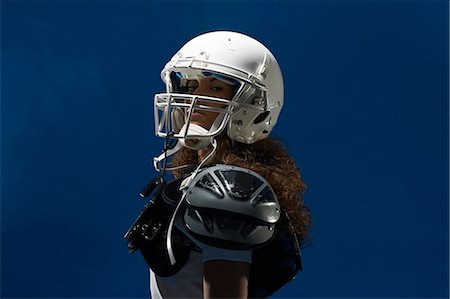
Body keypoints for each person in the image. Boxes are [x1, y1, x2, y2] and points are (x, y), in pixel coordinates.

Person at [125, 30, 312, 299]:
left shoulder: (230, 191)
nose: (195, 98)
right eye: (190, 86)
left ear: (252, 105)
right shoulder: (198, 179)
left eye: (214, 87)